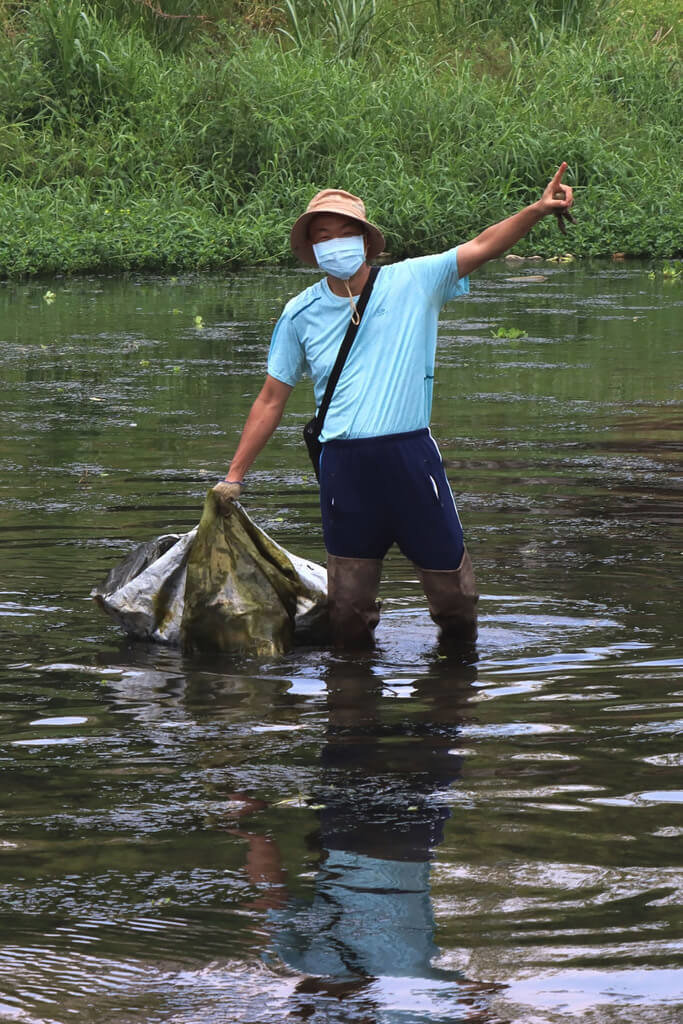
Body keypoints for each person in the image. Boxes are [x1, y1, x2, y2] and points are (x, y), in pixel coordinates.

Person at [213, 165, 574, 649]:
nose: (335, 242)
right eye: (324, 235)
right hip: (344, 468)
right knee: (348, 608)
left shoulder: (414, 281)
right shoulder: (299, 312)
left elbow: (485, 245)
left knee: (456, 598)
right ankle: (352, 713)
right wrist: (234, 476)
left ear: (365, 241)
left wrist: (536, 209)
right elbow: (271, 398)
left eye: (345, 232)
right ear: (311, 248)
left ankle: (452, 697)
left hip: (411, 460)